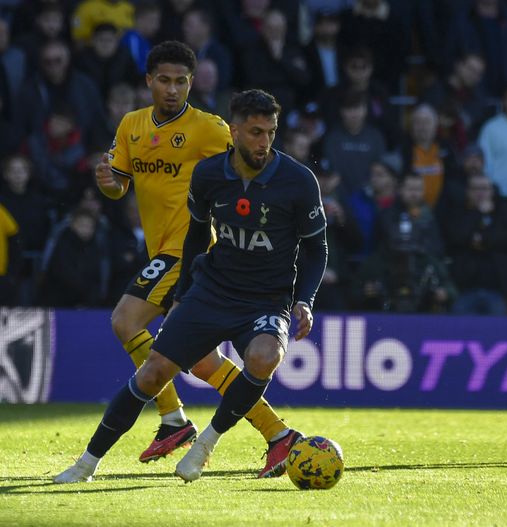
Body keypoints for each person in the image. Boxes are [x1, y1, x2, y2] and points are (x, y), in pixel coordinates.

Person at [54, 88, 328, 484]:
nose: (264, 142)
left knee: (265, 356)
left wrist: (305, 301)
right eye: (256, 132)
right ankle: (86, 464)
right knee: (153, 373)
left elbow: (317, 248)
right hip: (212, 292)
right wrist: (182, 296)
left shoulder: (298, 181)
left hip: (267, 299)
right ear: (234, 131)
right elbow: (197, 237)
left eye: (271, 132)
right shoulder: (209, 174)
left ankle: (205, 445)